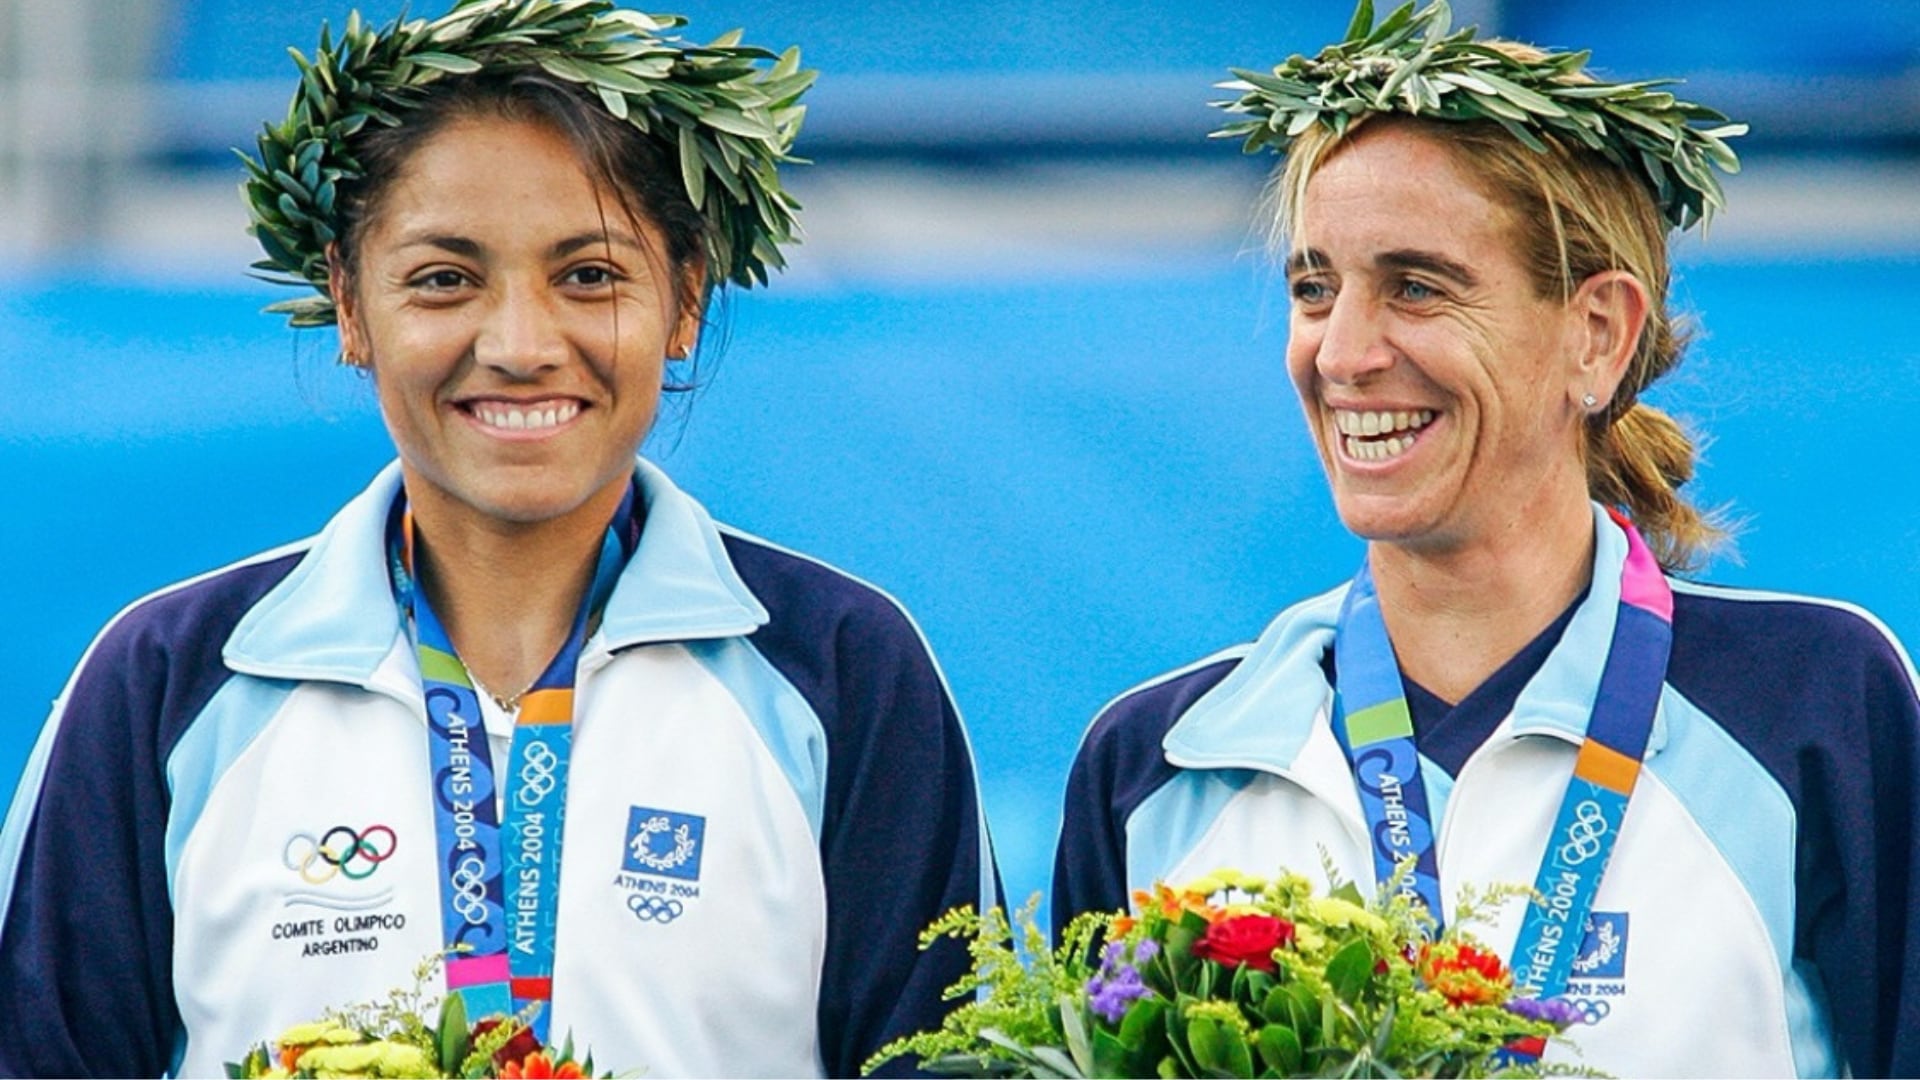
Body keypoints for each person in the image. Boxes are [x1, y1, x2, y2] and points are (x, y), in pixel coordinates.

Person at [0, 2, 995, 1076]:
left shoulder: (843, 667)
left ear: (686, 301)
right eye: (443, 280)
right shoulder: (168, 682)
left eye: (589, 276)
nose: (520, 345)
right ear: (347, 303)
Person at [1052, 4, 1918, 1077]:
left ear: (1596, 334)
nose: (1346, 352)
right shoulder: (1163, 762)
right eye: (1316, 288)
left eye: (1417, 286)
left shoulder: (1816, 709)